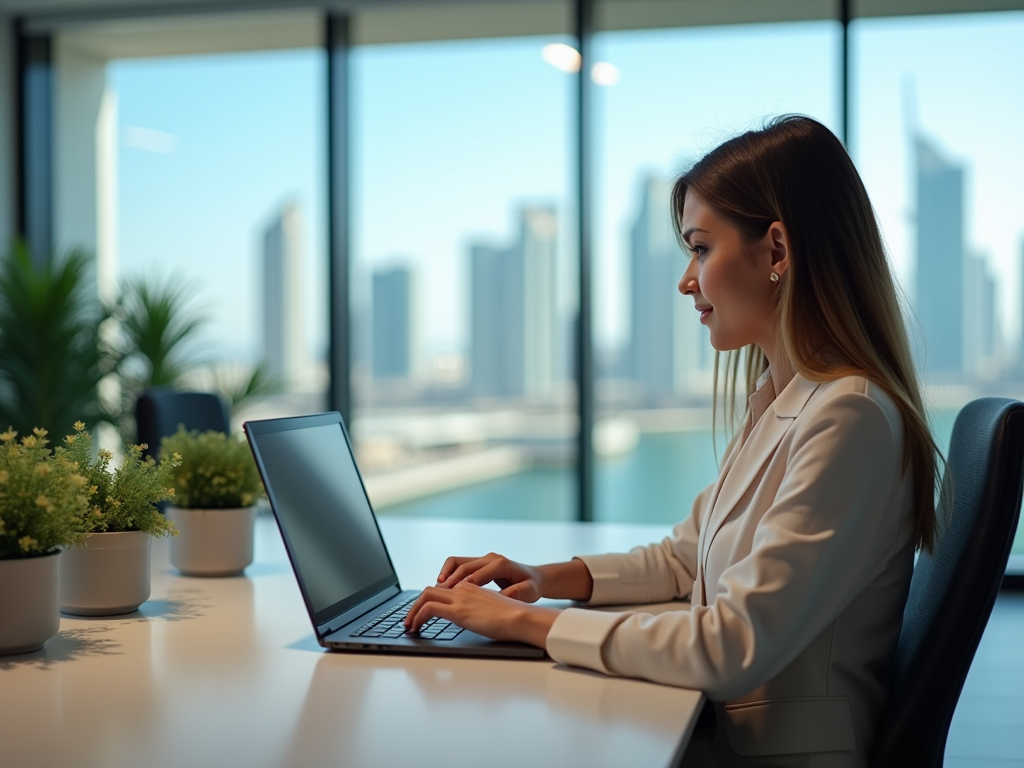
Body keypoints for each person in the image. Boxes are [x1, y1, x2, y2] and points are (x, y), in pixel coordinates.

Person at [404, 115, 941, 767]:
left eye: (701, 248)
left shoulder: (847, 418)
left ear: (776, 251)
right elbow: (685, 562)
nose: (688, 280)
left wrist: (523, 624)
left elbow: (730, 646)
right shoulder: (784, 400)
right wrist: (543, 580)